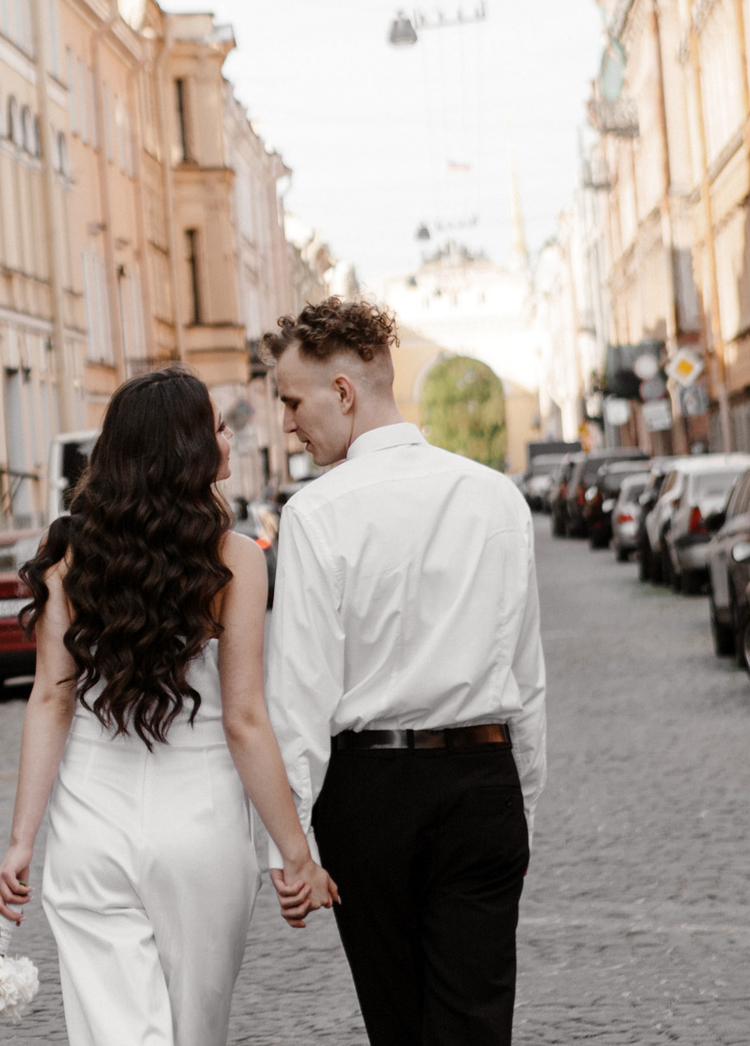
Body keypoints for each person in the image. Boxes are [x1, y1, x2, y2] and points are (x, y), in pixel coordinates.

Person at [0, 368, 338, 1046]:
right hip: (201, 827)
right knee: (192, 1033)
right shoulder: (236, 559)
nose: (228, 436)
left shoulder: (69, 559)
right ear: (188, 450)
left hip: (89, 823)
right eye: (217, 426)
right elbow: (243, 717)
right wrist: (295, 852)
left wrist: (21, 840)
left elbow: (51, 698)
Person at [263, 298, 546, 1046]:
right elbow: (529, 676)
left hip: (370, 793)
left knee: (398, 1022)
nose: (288, 422)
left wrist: (293, 852)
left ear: (345, 393)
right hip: (483, 778)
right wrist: (522, 806)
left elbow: (299, 696)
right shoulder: (496, 497)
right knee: (476, 1026)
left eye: (293, 401)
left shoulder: (317, 514)